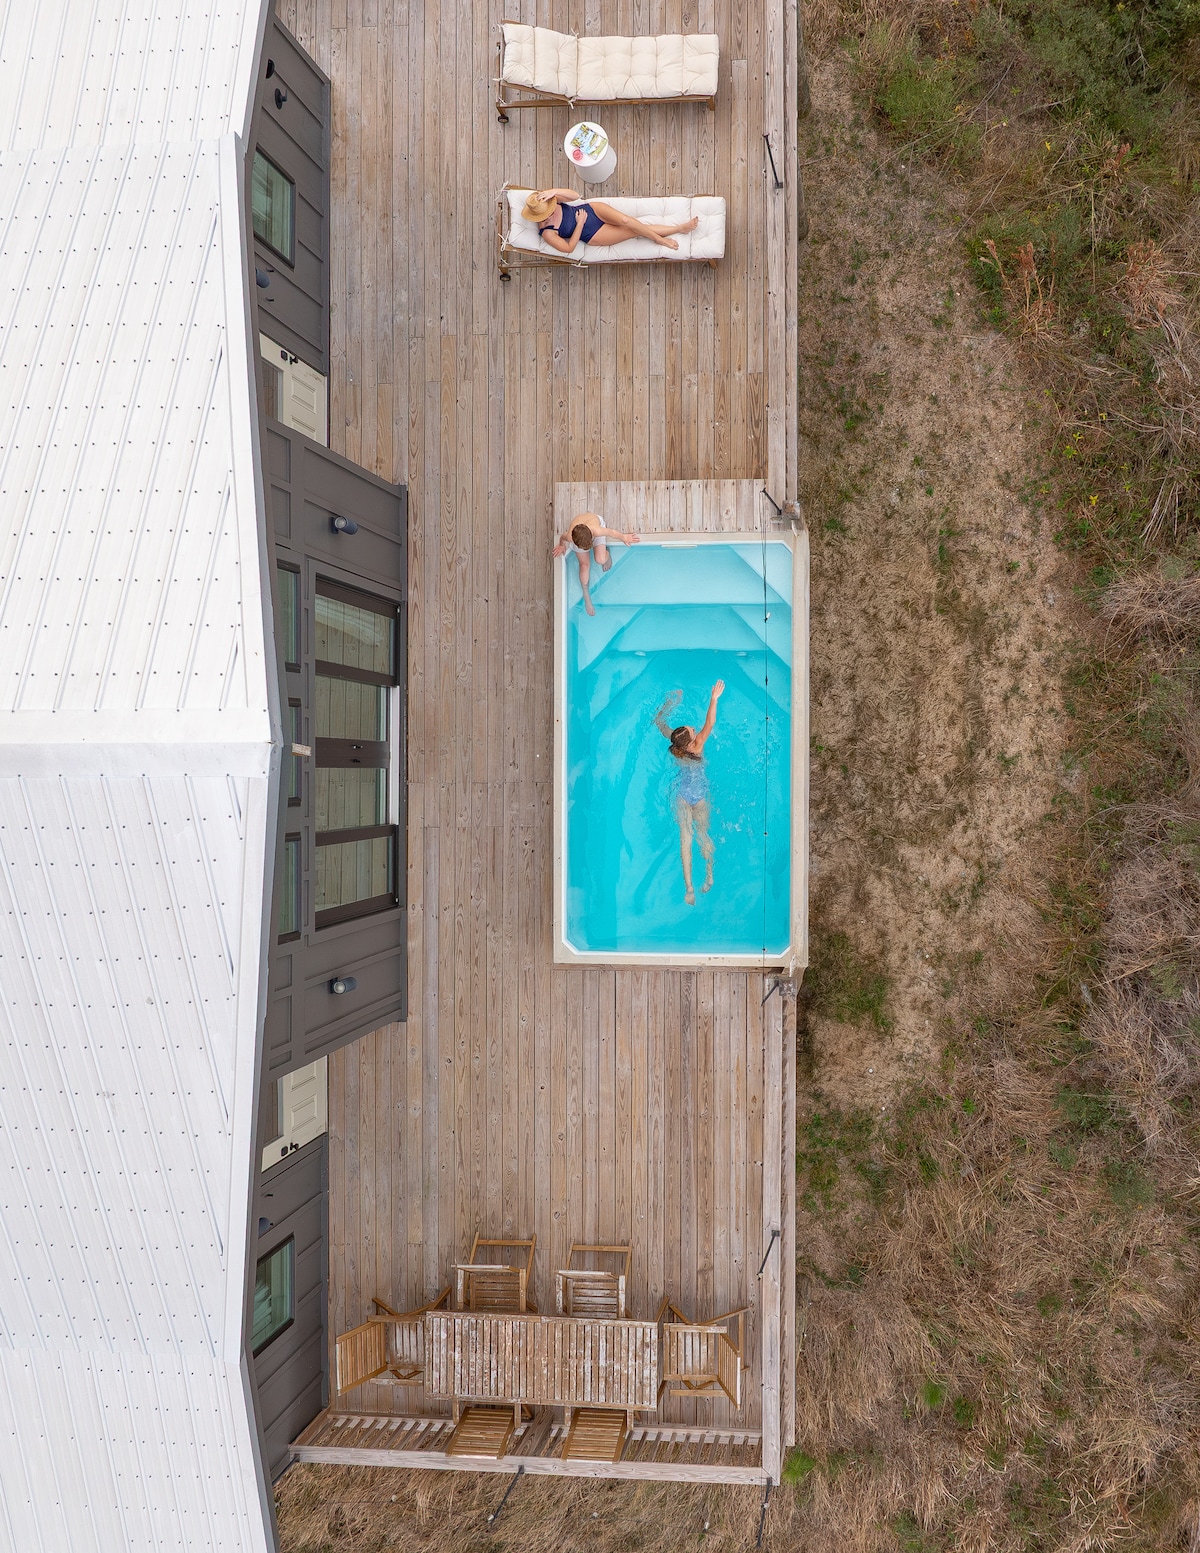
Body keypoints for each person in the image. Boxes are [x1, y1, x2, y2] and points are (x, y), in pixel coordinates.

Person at [655, 681, 724, 905]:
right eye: (693, 730)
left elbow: (659, 722)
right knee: (704, 836)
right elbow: (710, 723)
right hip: (699, 798)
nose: (694, 728)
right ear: (692, 740)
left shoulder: (676, 744)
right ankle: (709, 877)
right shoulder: (697, 746)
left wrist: (669, 702)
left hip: (682, 797)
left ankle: (689, 888)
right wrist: (713, 699)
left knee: (685, 839)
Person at [522, 188, 699, 254]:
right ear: (539, 218)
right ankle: (672, 232)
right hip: (591, 233)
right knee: (633, 230)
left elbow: (575, 196)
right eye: (547, 214)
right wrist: (580, 224)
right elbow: (569, 248)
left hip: (592, 210)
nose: (551, 211)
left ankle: (671, 232)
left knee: (626, 220)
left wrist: (554, 192)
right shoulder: (548, 232)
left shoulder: (549, 201)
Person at [553, 512, 639, 616]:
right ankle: (586, 595)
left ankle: (606, 553)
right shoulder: (571, 537)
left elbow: (612, 532)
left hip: (591, 531)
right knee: (584, 566)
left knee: (601, 559)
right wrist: (561, 545)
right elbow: (563, 537)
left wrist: (624, 537)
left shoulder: (597, 530)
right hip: (579, 535)